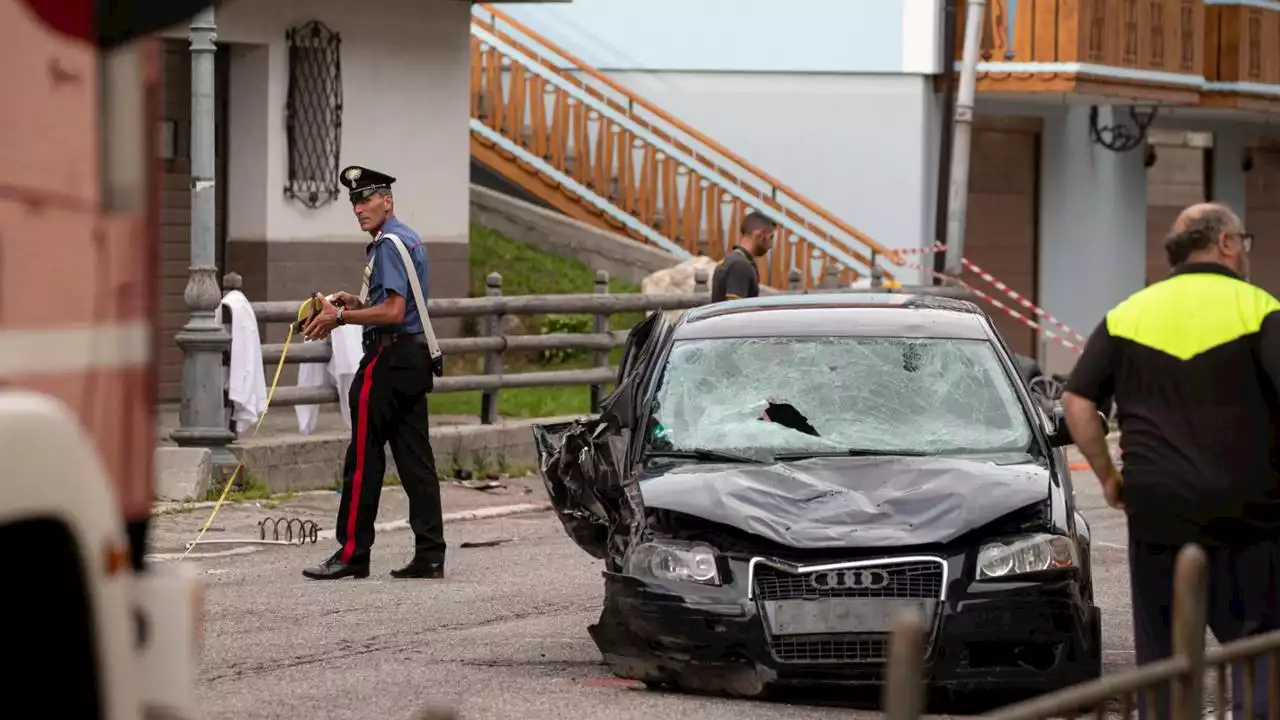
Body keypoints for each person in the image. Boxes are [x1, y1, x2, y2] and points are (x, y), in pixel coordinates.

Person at [1062, 202, 1278, 719]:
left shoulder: (1130, 313)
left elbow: (1076, 402)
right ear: (1225, 244)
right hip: (1249, 510)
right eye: (1241, 241)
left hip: (1157, 509)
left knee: (1163, 653)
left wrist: (1109, 477)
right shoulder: (1260, 309)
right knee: (1258, 645)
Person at [299, 165, 446, 581]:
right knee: (416, 461)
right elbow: (392, 301)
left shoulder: (387, 245)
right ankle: (430, 554)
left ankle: (352, 554)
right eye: (354, 201)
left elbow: (394, 312)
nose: (358, 208)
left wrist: (340, 316)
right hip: (414, 359)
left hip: (387, 360)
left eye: (366, 199)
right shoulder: (408, 239)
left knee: (362, 459)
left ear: (388, 200)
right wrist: (354, 299)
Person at [710, 211, 776, 302]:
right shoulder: (740, 265)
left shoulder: (730, 260)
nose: (771, 245)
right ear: (760, 234)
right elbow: (734, 309)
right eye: (771, 237)